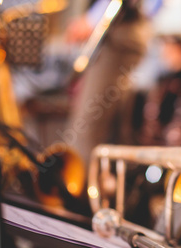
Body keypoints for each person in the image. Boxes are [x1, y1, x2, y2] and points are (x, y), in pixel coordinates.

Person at [63, 0, 151, 165]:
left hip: (117, 34)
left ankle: (82, 188)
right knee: (116, 131)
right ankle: (114, 186)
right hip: (122, 34)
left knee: (85, 131)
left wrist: (92, 19)